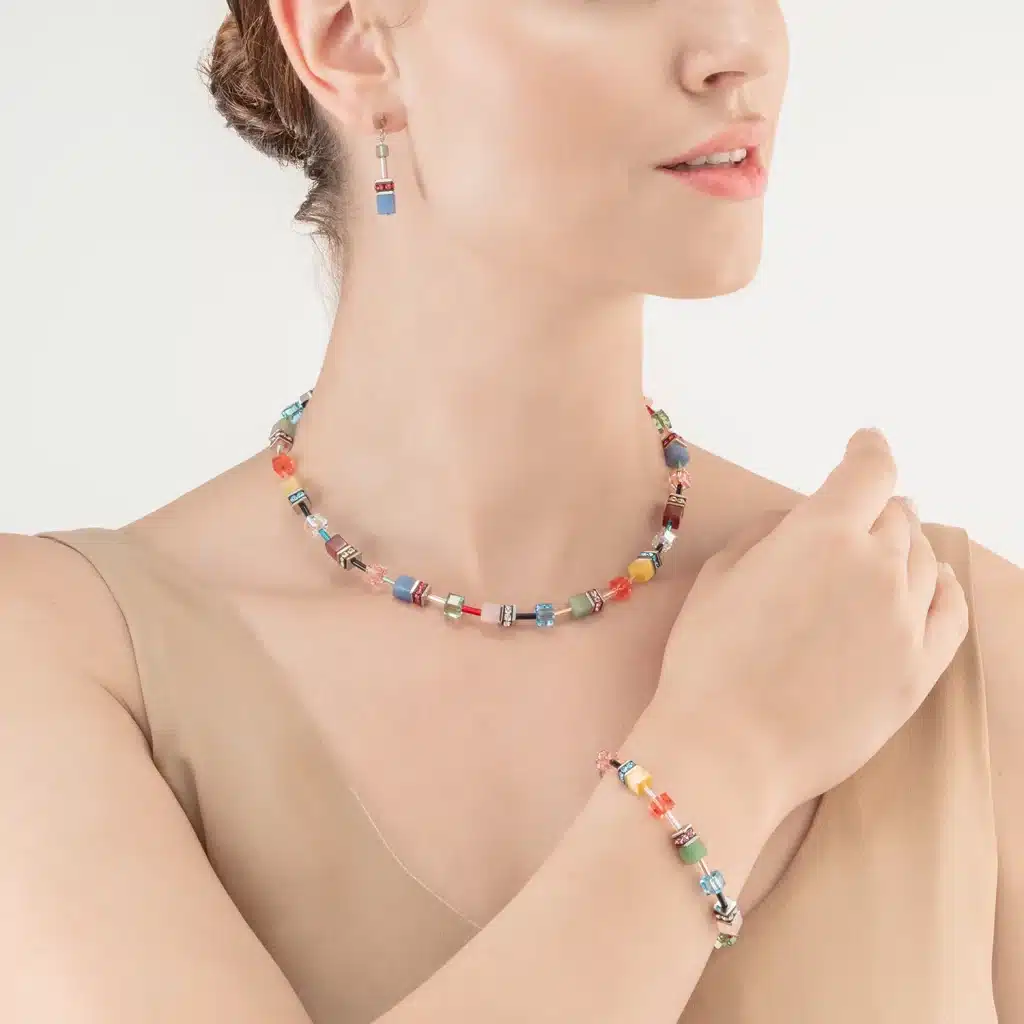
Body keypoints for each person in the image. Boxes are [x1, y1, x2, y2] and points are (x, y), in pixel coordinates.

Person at [1, 1, 1021, 1021]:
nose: (739, 47)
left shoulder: (956, 645)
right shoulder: (65, 659)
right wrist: (727, 752)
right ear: (348, 38)